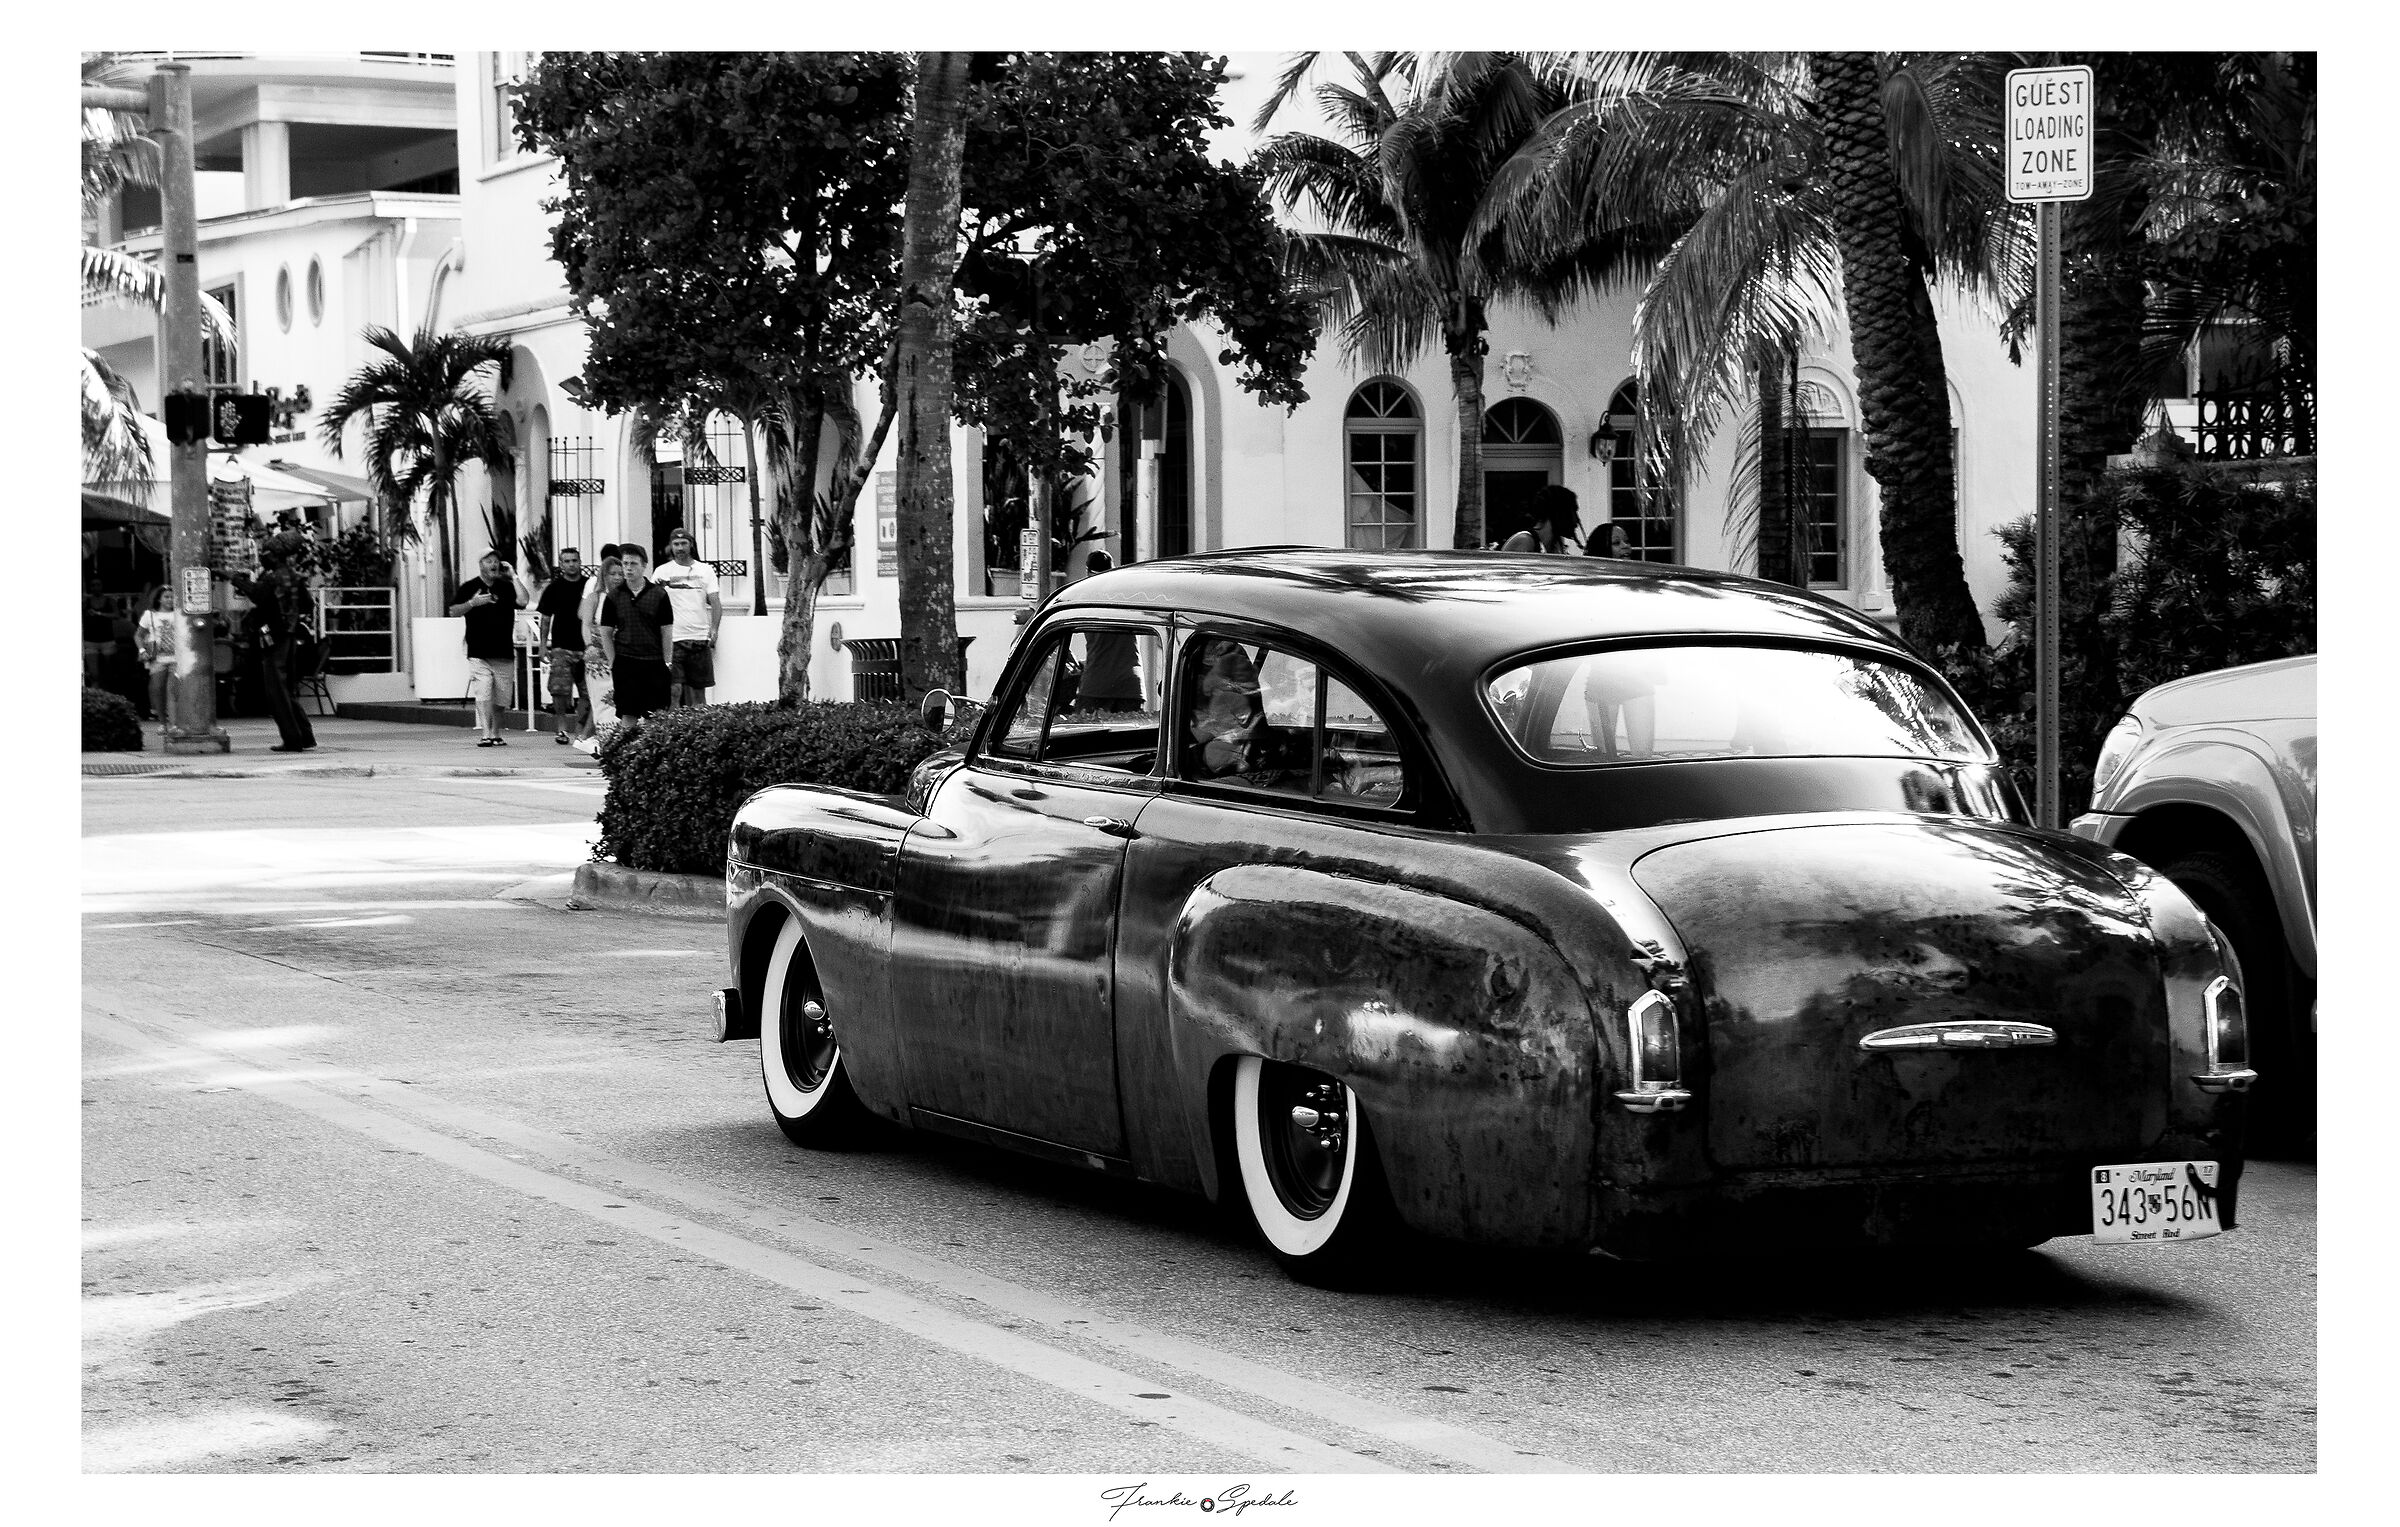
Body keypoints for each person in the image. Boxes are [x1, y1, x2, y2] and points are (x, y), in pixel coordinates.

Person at [227, 532, 319, 753]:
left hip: (274, 638)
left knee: (276, 691)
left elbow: (258, 594)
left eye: (266, 553)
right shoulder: (294, 577)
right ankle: (305, 735)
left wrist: (236, 579)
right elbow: (307, 605)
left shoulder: (271, 578)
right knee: (286, 688)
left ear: (275, 556)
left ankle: (292, 739)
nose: (263, 557)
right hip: (289, 636)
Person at [449, 551, 524, 747]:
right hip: (478, 651)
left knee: (501, 699)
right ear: (480, 564)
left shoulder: (506, 587)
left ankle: (496, 732)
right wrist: (472, 603)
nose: (494, 564)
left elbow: (523, 601)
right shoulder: (470, 587)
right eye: (489, 561)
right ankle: (485, 733)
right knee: (483, 693)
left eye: (496, 561)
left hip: (503, 652)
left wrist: (514, 575)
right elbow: (453, 611)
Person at [596, 543, 675, 720]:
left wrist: (667, 662)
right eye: (625, 564)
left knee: (655, 714)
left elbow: (667, 631)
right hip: (626, 661)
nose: (628, 568)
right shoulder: (614, 596)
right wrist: (612, 661)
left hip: (654, 661)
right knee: (628, 712)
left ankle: (651, 747)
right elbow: (606, 631)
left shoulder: (659, 594)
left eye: (633, 564)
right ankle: (627, 747)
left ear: (644, 565)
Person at [651, 526, 721, 707]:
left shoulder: (706, 570)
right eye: (676, 544)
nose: (680, 548)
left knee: (699, 692)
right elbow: (652, 604)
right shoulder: (661, 572)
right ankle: (673, 730)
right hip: (673, 640)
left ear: (691, 545)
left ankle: (699, 731)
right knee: (674, 690)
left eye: (683, 543)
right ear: (670, 547)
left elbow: (715, 602)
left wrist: (714, 630)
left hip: (699, 639)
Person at [535, 547, 593, 744]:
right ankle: (561, 728)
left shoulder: (589, 586)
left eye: (574, 560)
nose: (571, 564)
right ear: (561, 564)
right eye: (567, 561)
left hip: (586, 646)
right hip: (561, 646)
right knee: (560, 689)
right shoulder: (553, 588)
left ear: (580, 562)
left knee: (587, 691)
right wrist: (543, 645)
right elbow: (545, 618)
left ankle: (580, 728)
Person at [1076, 551, 1145, 713]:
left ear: (1088, 571)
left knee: (1083, 736)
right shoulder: (1129, 595)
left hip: (1097, 685)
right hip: (1131, 685)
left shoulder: (1084, 597)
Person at [136, 585, 175, 734]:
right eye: (166, 596)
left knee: (172, 690)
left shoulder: (180, 614)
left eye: (172, 597)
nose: (170, 600)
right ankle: (163, 722)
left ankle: (173, 724)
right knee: (158, 690)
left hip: (176, 658)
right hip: (157, 658)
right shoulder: (150, 615)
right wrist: (142, 650)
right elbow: (138, 635)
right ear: (159, 598)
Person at [1500, 485, 1584, 554]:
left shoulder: (1556, 546)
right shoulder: (1525, 541)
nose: (1576, 521)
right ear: (1559, 513)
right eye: (1572, 512)